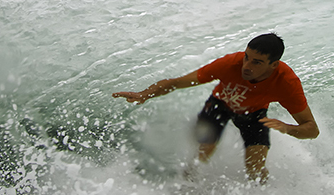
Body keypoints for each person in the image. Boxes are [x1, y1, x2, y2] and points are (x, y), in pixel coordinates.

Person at [112, 33, 319, 182]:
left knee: (255, 169)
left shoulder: (287, 83)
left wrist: (287, 128)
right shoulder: (230, 64)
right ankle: (186, 187)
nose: (246, 66)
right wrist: (144, 95)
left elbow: (311, 129)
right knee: (204, 152)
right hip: (218, 106)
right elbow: (177, 82)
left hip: (254, 115)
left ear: (273, 65)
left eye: (257, 62)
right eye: (247, 57)